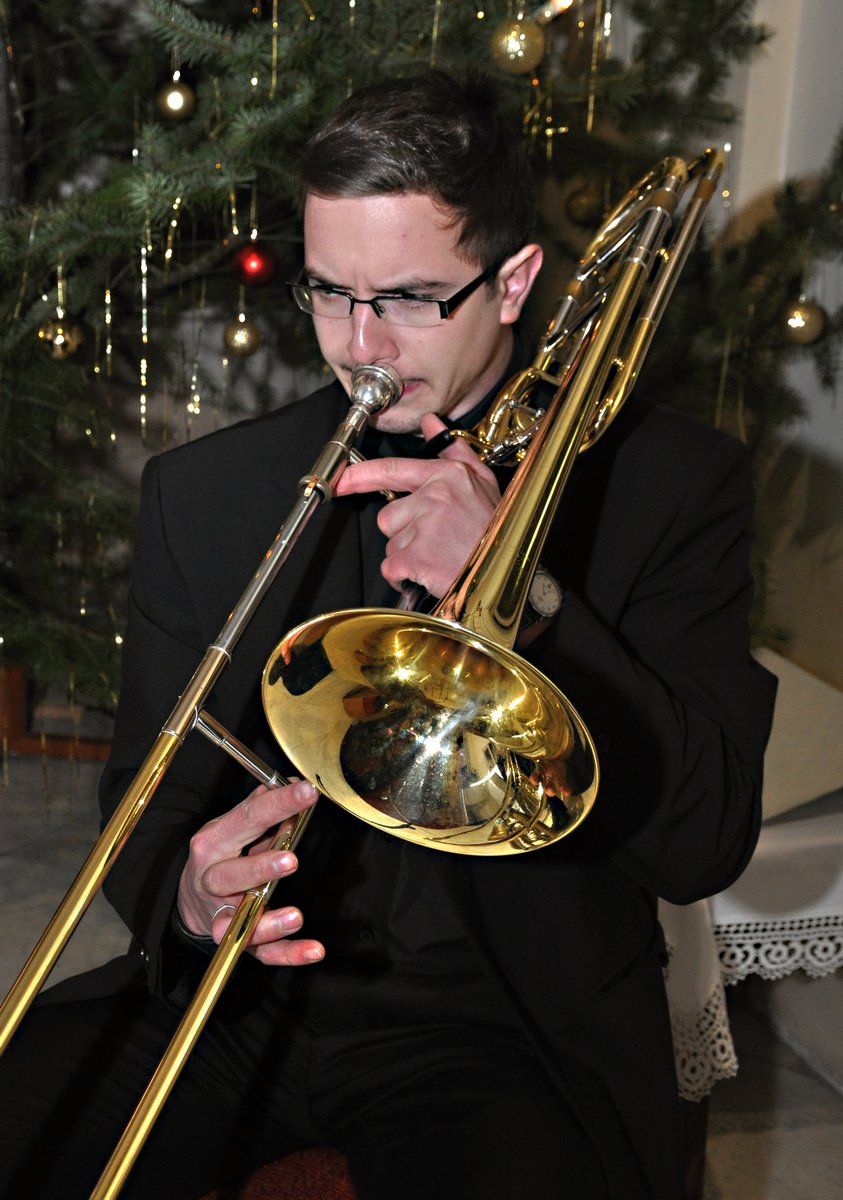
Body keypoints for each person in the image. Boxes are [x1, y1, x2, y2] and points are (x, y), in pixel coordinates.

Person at [0, 70, 776, 1200]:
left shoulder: (670, 486)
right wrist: (189, 894)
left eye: (411, 298)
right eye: (330, 292)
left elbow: (705, 839)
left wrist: (531, 598)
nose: (361, 344)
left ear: (513, 282)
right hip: (246, 994)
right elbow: (147, 803)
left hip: (505, 1031)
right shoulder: (208, 494)